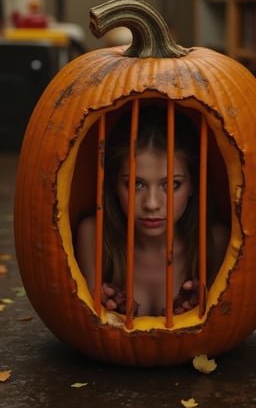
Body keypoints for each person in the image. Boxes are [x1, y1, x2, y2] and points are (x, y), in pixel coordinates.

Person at [76, 105, 229, 317]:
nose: (151, 204)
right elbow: (87, 327)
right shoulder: (94, 236)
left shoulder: (212, 243)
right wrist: (109, 311)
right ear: (113, 183)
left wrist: (195, 312)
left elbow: (220, 326)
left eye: (171, 185)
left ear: (194, 184)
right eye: (135, 185)